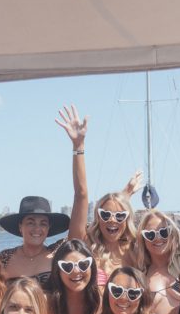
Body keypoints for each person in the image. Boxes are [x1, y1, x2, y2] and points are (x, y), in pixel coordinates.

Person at [55, 104, 142, 281]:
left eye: (119, 216)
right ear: (97, 217)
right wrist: (78, 146)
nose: (112, 219)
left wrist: (126, 194)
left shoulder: (137, 249)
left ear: (127, 218)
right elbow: (81, 194)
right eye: (105, 214)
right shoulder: (85, 246)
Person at [0, 196, 72, 286]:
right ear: (20, 226)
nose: (37, 228)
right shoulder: (5, 258)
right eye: (31, 223)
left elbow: (78, 234)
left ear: (48, 228)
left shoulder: (58, 253)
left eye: (43, 224)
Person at [133, 209, 180, 314]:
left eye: (163, 232)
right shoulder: (139, 275)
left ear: (171, 233)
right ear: (143, 239)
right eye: (150, 234)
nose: (157, 238)